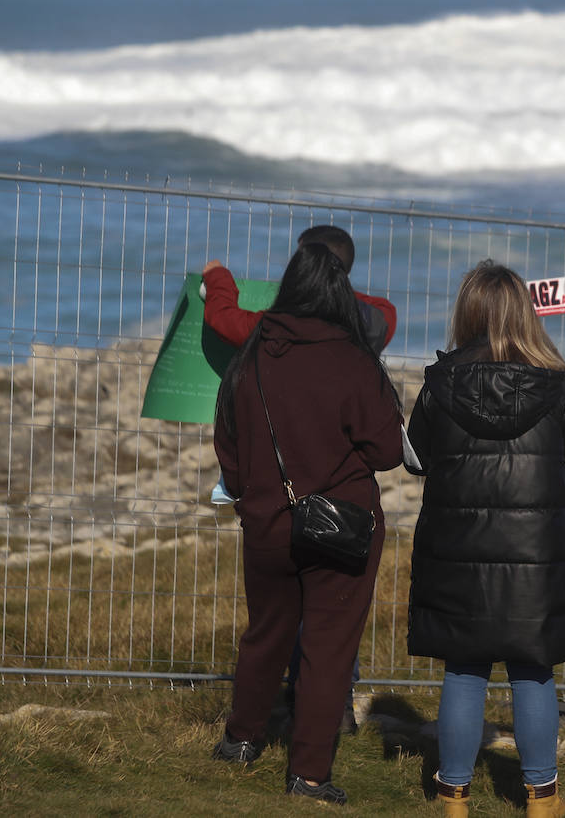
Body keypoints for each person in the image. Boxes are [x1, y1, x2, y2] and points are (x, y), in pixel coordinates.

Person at [210, 242, 404, 804]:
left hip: (267, 521)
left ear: (288, 284)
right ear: (342, 290)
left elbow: (228, 439)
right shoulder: (353, 358)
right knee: (328, 648)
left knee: (265, 634)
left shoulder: (254, 352)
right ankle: (309, 775)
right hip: (342, 525)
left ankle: (240, 741)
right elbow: (388, 448)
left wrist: (250, 496)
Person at [404, 260, 565, 818]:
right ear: (524, 313)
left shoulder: (439, 382)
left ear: (467, 312)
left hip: (459, 548)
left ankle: (453, 799)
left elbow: (415, 459)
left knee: (464, 669)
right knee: (533, 670)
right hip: (536, 551)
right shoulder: (557, 382)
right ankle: (541, 798)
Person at [202, 224, 397, 354]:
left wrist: (218, 276)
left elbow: (224, 319)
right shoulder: (375, 322)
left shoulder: (282, 325)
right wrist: (335, 290)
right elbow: (383, 307)